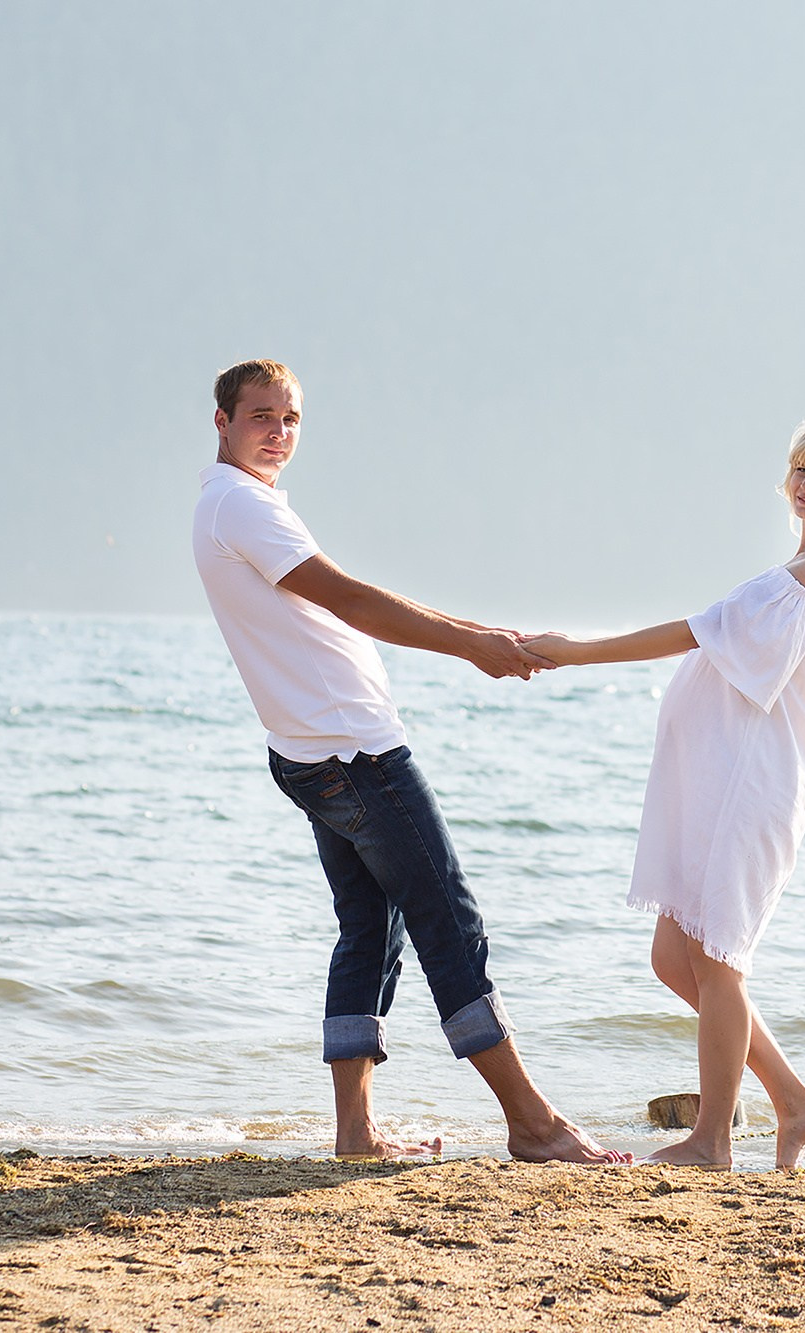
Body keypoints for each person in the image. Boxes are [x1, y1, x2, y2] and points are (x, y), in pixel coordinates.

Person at [191, 358, 625, 1164]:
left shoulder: (238, 505)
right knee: (446, 920)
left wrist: (486, 636)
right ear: (221, 422)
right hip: (355, 755)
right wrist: (470, 647)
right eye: (260, 417)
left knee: (369, 929)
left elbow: (345, 602)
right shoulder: (239, 505)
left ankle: (355, 1132)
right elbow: (350, 597)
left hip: (311, 753)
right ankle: (533, 1123)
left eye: (290, 418)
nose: (278, 433)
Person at [524, 410, 805, 1169]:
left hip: (751, 788)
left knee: (720, 962)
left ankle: (711, 1140)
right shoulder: (804, 568)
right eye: (802, 467)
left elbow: (698, 632)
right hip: (723, 781)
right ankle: (797, 1101)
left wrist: (576, 653)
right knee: (676, 958)